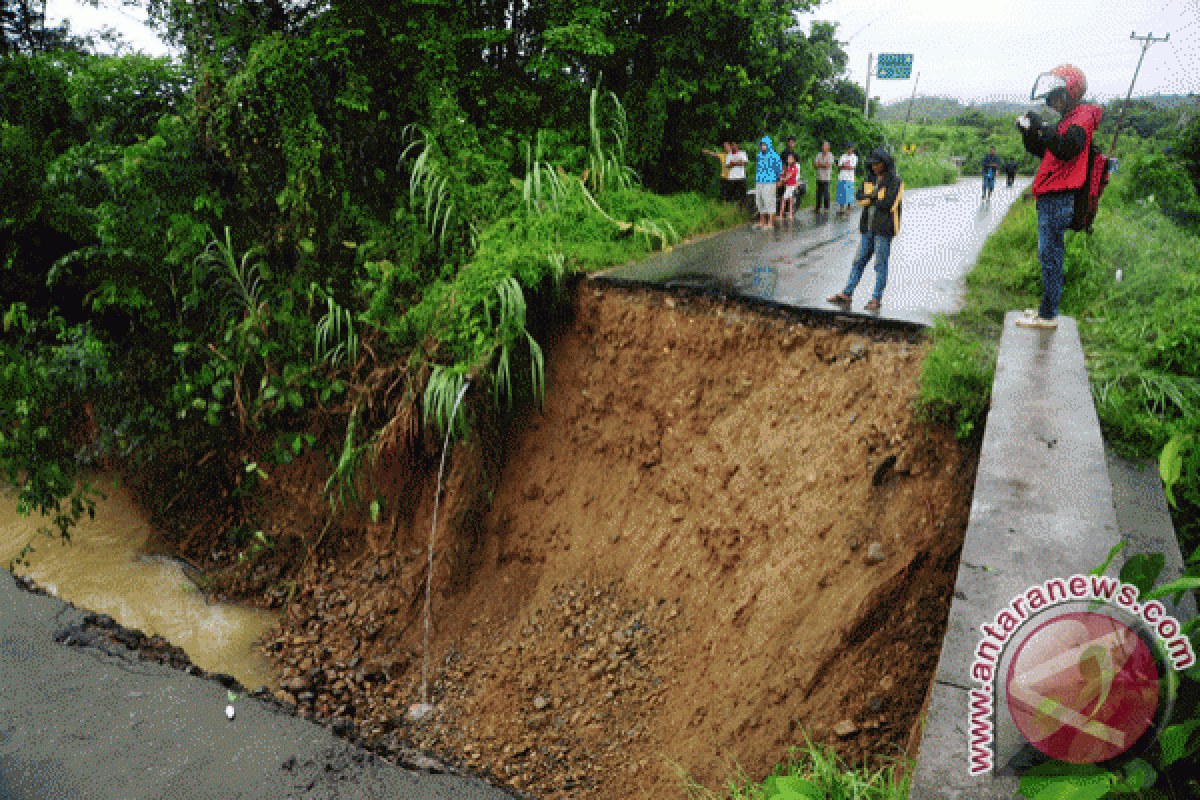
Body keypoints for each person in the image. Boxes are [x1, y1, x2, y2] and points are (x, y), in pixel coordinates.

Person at [1014, 63, 1104, 330]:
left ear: (1070, 92)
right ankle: (1046, 309)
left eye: (1055, 95)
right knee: (1049, 255)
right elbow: (1048, 152)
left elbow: (1066, 149)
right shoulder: (1069, 118)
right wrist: (1030, 134)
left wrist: (1042, 127)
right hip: (1053, 196)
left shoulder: (1082, 117)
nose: (1051, 102)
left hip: (1060, 198)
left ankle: (1048, 315)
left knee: (1051, 255)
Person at [827, 148, 903, 312]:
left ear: (884, 164)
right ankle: (846, 294)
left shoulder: (895, 181)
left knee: (880, 265)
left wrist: (872, 198)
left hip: (883, 229)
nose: (874, 167)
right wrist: (875, 197)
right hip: (867, 228)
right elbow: (860, 198)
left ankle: (876, 299)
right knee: (858, 262)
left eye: (877, 164)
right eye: (872, 164)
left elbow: (889, 204)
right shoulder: (869, 179)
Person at [753, 136, 783, 229]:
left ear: (769, 145)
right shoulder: (759, 156)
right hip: (759, 181)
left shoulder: (775, 156)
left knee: (769, 201)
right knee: (760, 201)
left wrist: (778, 180)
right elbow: (758, 168)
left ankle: (770, 223)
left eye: (765, 145)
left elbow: (779, 170)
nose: (763, 147)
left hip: (770, 181)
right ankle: (762, 222)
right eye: (762, 145)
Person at [725, 141, 748, 210]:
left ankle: (742, 209)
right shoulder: (729, 155)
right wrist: (737, 162)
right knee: (732, 196)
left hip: (741, 177)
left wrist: (734, 163)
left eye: (735, 144)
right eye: (732, 145)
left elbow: (744, 162)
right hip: (732, 177)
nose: (734, 146)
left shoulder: (742, 153)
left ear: (737, 145)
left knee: (742, 196)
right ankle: (732, 210)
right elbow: (727, 165)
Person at [813, 141, 834, 213]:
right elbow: (815, 165)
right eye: (823, 146)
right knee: (818, 193)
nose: (824, 148)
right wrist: (823, 165)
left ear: (828, 147)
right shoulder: (818, 155)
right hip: (819, 177)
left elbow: (827, 165)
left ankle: (826, 207)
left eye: (825, 146)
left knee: (826, 193)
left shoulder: (830, 155)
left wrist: (820, 164)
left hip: (826, 177)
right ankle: (818, 207)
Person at [835, 144, 857, 214]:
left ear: (852, 148)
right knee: (841, 193)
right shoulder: (843, 156)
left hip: (850, 178)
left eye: (850, 148)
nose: (849, 150)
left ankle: (848, 208)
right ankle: (841, 208)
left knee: (849, 193)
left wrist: (845, 166)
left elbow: (853, 167)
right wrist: (844, 166)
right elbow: (839, 167)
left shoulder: (854, 157)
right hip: (842, 177)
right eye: (848, 148)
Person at [780, 153, 799, 220]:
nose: (789, 160)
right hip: (788, 185)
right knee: (789, 199)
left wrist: (782, 179)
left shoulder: (794, 168)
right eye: (788, 158)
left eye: (790, 158)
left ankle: (782, 215)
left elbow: (788, 177)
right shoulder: (789, 167)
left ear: (794, 160)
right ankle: (789, 214)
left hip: (791, 186)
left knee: (784, 198)